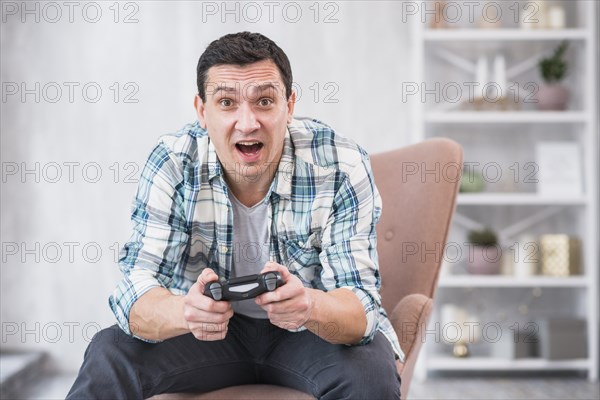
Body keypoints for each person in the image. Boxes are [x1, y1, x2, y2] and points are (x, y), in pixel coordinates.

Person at [67, 31, 403, 399]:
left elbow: (360, 304)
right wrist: (185, 311)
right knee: (109, 353)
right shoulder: (173, 163)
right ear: (201, 110)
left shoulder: (341, 163)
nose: (247, 123)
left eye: (264, 101)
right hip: (205, 337)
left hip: (310, 335)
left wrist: (310, 305)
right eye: (227, 102)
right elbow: (135, 294)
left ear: (289, 106)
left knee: (371, 371)